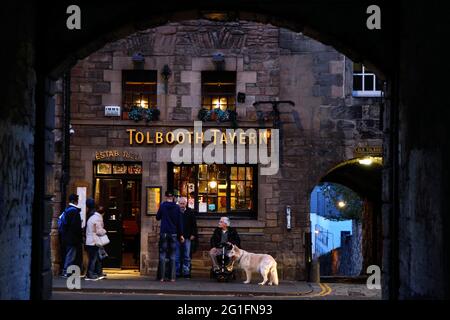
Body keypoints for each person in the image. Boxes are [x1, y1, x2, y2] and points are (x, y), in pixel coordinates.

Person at [156, 190, 184, 282]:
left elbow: (158, 217)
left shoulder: (163, 206)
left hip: (164, 232)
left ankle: (162, 277)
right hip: (173, 233)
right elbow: (179, 222)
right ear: (173, 197)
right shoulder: (177, 207)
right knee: (172, 255)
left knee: (163, 255)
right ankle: (172, 277)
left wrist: (160, 208)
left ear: (165, 196)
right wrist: (181, 235)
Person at [175, 197, 198, 279]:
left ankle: (186, 272)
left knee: (186, 256)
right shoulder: (176, 212)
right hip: (177, 237)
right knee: (177, 256)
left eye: (183, 203)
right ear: (178, 203)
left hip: (187, 236)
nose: (182, 205)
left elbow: (194, 225)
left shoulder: (190, 212)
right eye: (180, 203)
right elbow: (174, 225)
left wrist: (193, 234)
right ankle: (177, 272)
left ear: (186, 203)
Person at [61, 194, 82, 277]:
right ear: (74, 201)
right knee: (71, 255)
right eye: (77, 200)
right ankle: (66, 271)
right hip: (72, 238)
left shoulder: (67, 209)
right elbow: (75, 227)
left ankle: (66, 270)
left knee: (69, 254)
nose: (78, 202)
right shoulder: (74, 211)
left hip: (67, 237)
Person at [85, 202, 108, 281]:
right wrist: (104, 231)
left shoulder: (93, 217)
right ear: (103, 213)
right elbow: (98, 231)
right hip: (94, 241)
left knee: (97, 258)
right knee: (93, 258)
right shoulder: (98, 218)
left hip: (91, 241)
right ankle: (90, 274)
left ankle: (98, 272)